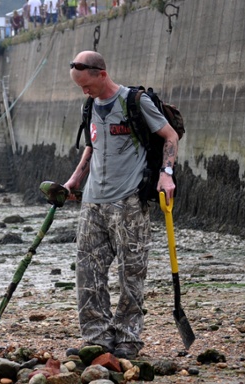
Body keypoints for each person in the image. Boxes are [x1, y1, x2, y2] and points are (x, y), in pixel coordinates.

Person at [64, 51, 179, 360]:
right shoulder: (89, 104)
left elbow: (169, 136)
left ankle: (128, 337)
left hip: (128, 200)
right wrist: (75, 180)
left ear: (102, 74)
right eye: (80, 87)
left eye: (87, 85)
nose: (84, 92)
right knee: (88, 272)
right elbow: (92, 147)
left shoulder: (135, 102)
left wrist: (166, 176)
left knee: (131, 273)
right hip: (92, 202)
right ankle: (97, 338)